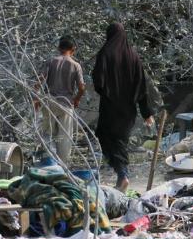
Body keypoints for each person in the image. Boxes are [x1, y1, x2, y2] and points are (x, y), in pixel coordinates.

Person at [92, 23, 154, 192]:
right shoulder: (133, 57)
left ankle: (122, 175)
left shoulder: (105, 53)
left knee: (106, 138)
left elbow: (98, 81)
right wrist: (146, 113)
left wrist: (106, 92)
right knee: (121, 142)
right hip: (128, 110)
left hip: (110, 108)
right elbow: (142, 87)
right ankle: (122, 176)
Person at [35, 35, 85, 163]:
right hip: (66, 104)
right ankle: (62, 167)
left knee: (47, 134)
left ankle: (47, 163)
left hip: (49, 101)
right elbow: (81, 87)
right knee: (64, 138)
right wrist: (77, 99)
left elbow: (38, 82)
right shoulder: (75, 65)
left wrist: (36, 99)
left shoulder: (51, 61)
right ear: (73, 49)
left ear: (59, 48)